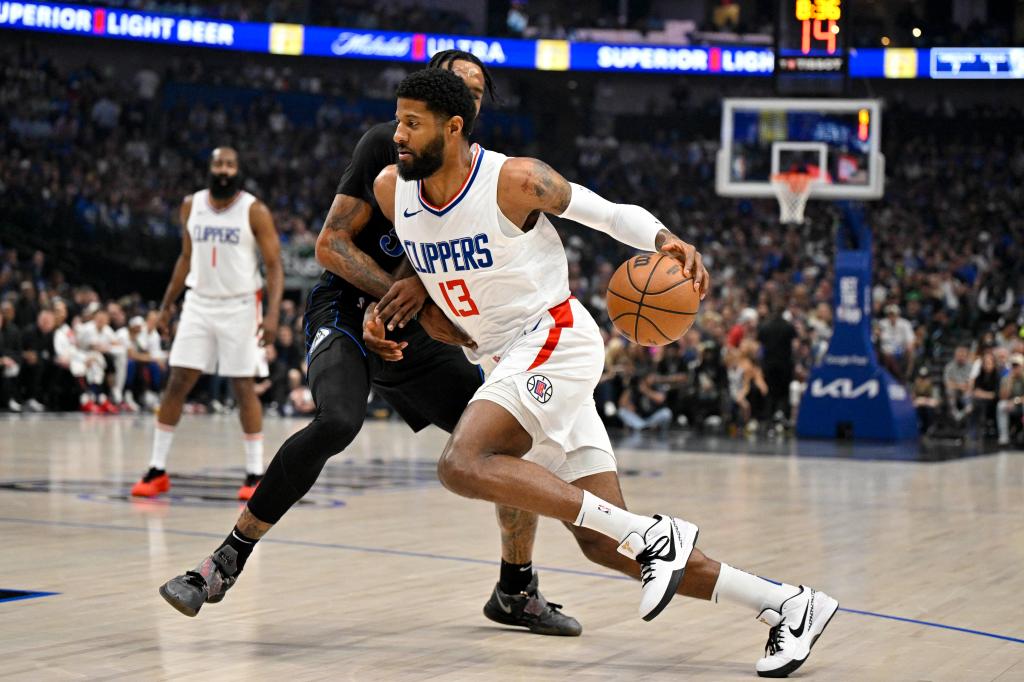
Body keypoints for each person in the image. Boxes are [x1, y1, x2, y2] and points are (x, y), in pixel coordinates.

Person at [367, 68, 837, 677]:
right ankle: (789, 605)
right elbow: (424, 257)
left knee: (463, 463)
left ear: (453, 129)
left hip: (552, 338)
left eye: (412, 124)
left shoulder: (516, 180)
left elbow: (612, 215)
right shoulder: (390, 189)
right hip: (504, 360)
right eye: (397, 120)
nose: (397, 135)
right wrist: (391, 308)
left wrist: (666, 238)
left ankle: (656, 538)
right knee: (604, 543)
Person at [156, 53, 580, 638]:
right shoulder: (387, 144)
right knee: (337, 421)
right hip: (349, 309)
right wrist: (395, 297)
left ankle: (515, 589)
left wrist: (424, 301)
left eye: (478, 91)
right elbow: (331, 246)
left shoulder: (485, 176)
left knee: (504, 442)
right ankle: (224, 561)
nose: (468, 95)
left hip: (413, 326)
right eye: (457, 82)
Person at [130, 147, 283, 501]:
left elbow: (274, 266)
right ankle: (156, 469)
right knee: (177, 383)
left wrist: (273, 315)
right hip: (198, 302)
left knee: (243, 386)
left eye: (230, 164)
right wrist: (167, 306)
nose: (224, 170)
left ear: (238, 169)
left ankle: (255, 473)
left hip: (241, 305)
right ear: (210, 168)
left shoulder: (254, 210)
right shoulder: (191, 205)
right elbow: (186, 257)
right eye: (219, 164)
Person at [997, 354, 1024, 447]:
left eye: (1017, 366)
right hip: (1012, 406)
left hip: (1020, 404)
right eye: (1013, 366)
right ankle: (1004, 436)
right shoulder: (1006, 378)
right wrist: (1009, 381)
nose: (1015, 368)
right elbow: (1003, 397)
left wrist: (1015, 401)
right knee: (1001, 405)